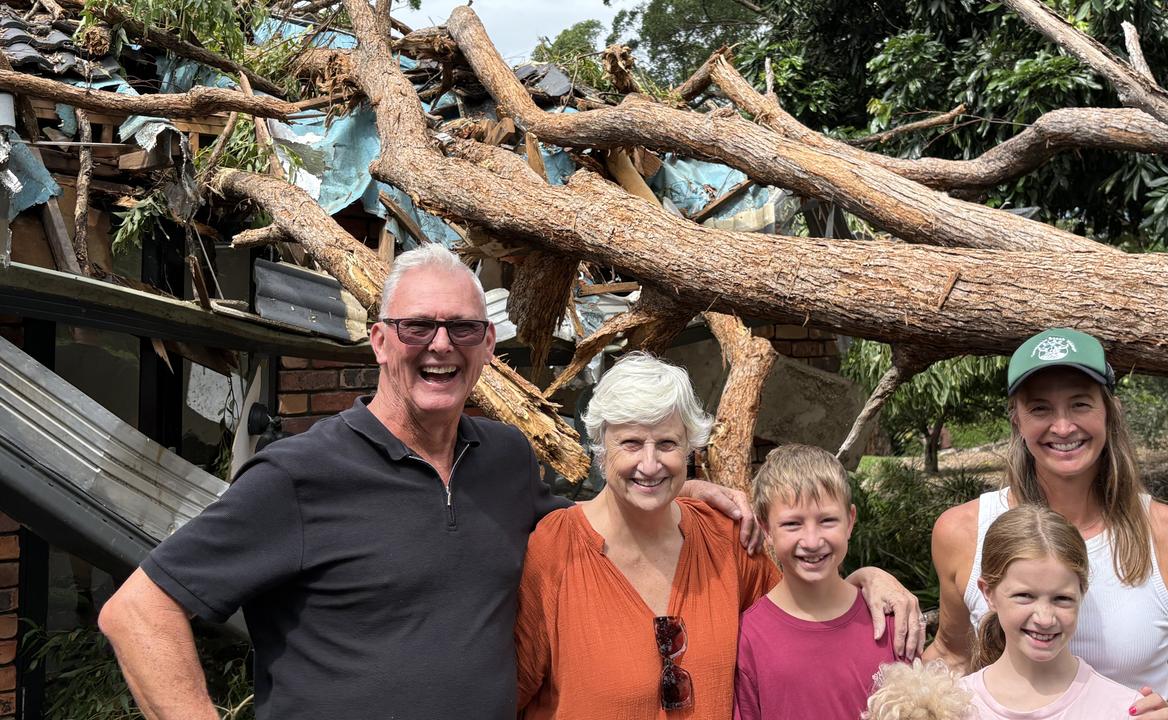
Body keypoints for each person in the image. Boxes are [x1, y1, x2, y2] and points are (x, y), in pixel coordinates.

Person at [98, 245, 762, 720]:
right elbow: (138, 611)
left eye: (463, 328)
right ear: (381, 341)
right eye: (419, 326)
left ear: (487, 350)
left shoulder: (503, 459)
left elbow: (589, 529)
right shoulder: (300, 476)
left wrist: (675, 494)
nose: (441, 344)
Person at [516, 354, 924, 719]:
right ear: (601, 447)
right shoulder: (555, 550)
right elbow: (508, 690)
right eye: (631, 443)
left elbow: (800, 616)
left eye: (668, 443)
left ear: (691, 449)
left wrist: (867, 577)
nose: (650, 463)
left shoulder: (725, 541)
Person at [927, 328, 1168, 719]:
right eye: (1040, 408)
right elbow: (951, 653)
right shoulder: (962, 532)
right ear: (1017, 419)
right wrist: (865, 584)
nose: (1062, 427)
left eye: (1080, 404)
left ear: (1109, 411)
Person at [734, 444, 898, 720]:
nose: (812, 541)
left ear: (850, 521)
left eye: (827, 520)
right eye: (792, 524)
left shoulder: (889, 622)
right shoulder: (748, 637)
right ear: (766, 529)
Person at [960, 504, 1141, 718]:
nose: (1045, 619)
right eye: (1025, 596)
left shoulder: (1124, 709)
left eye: (1062, 599)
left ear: (1082, 593)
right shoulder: (951, 707)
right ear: (988, 593)